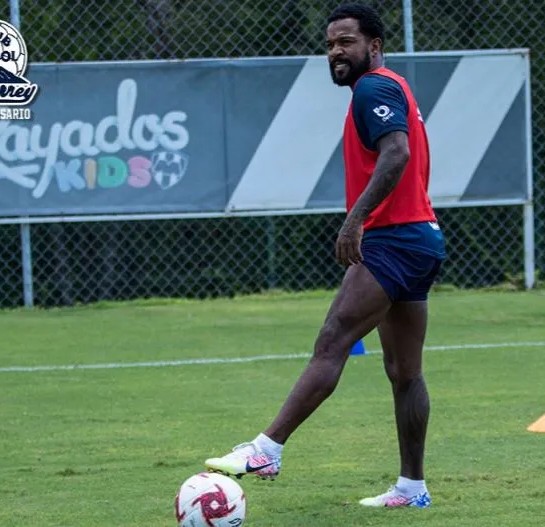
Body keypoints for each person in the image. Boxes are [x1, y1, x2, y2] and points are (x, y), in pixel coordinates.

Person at [204, 2, 446, 509]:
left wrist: (355, 219)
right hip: (420, 235)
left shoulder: (375, 87)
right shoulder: (393, 86)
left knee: (334, 338)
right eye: (331, 44)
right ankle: (412, 488)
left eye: (347, 42)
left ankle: (266, 449)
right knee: (405, 372)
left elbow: (397, 153)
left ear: (374, 46)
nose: (336, 52)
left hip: (394, 239)